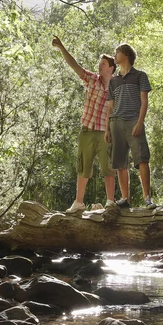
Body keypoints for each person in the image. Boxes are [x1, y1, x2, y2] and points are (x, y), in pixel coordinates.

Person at [52, 36, 116, 213]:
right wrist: (62, 47)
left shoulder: (116, 88)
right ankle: (78, 202)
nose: (99, 66)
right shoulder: (92, 80)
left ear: (111, 68)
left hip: (105, 134)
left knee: (108, 168)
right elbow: (75, 66)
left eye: (102, 64)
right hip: (87, 131)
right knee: (83, 167)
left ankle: (111, 202)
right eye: (99, 63)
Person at [105, 42, 156, 209]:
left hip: (134, 121)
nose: (114, 55)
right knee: (119, 162)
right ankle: (125, 199)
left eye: (117, 52)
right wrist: (107, 128)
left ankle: (147, 198)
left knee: (142, 158)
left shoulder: (140, 76)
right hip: (116, 123)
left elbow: (144, 101)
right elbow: (110, 107)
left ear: (126, 55)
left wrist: (140, 122)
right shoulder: (113, 81)